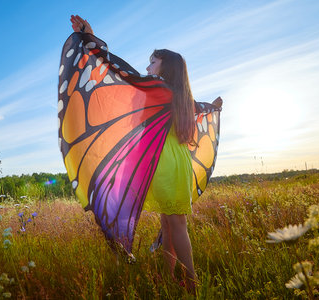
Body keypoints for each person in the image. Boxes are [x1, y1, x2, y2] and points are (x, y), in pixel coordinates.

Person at [69, 15, 222, 292]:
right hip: (175, 163)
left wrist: (91, 41)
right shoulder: (178, 96)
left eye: (153, 61)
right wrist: (212, 107)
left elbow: (122, 72)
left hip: (163, 164)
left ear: (166, 69)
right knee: (170, 223)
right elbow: (199, 107)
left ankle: (192, 283)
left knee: (175, 224)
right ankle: (169, 276)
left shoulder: (159, 89)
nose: (148, 66)